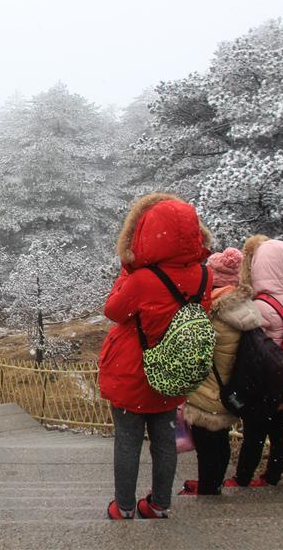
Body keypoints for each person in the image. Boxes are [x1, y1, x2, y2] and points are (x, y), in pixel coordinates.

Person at [99, 193, 213, 519]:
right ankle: (160, 504)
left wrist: (127, 272)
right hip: (172, 370)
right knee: (164, 440)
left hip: (133, 371)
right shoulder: (205, 276)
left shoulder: (142, 279)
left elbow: (113, 311)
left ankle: (123, 506)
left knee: (128, 441)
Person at [179, 248, 263, 496]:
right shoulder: (245, 308)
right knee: (221, 441)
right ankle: (213, 483)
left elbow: (199, 353)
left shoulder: (212, 311)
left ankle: (208, 490)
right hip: (231, 389)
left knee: (206, 445)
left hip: (208, 388)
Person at [227, 236, 283, 487]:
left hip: (267, 379)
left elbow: (234, 320)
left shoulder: (261, 305)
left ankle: (242, 479)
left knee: (255, 432)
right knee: (282, 430)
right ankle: (272, 477)